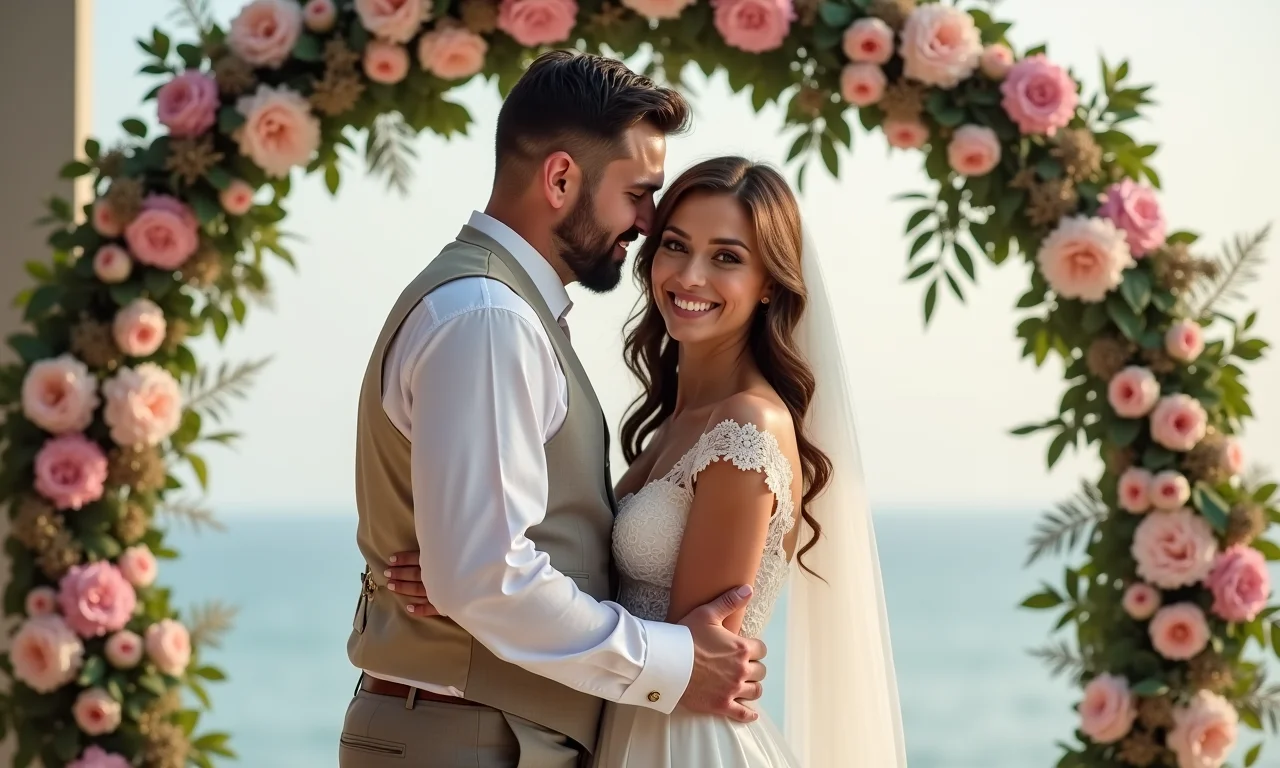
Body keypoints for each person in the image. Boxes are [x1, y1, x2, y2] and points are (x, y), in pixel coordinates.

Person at [389, 155, 909, 766]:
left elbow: (692, 650)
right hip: (634, 728)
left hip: (685, 743)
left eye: (726, 257)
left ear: (769, 282)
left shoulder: (747, 427)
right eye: (675, 246)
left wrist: (489, 590)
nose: (690, 276)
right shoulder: (678, 422)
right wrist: (477, 573)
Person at [340, 51, 770, 768]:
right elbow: (487, 577)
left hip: (477, 730)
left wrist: (464, 577)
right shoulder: (491, 318)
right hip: (469, 738)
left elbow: (477, 573)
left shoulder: (499, 308)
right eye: (637, 193)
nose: (647, 221)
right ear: (562, 178)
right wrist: (675, 662)